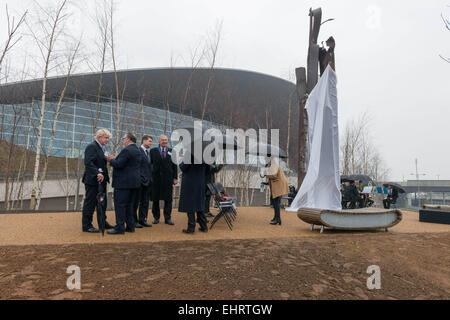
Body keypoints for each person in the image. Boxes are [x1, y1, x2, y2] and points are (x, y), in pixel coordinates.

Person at [106, 132, 142, 235]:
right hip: (134, 183)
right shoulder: (137, 150)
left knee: (120, 205)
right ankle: (130, 226)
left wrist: (111, 160)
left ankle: (120, 228)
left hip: (123, 183)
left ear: (129, 139)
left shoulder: (127, 150)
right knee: (130, 205)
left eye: (124, 138)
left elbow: (119, 164)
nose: (123, 140)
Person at [81, 129, 114, 233]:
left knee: (102, 202)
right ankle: (86, 225)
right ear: (100, 137)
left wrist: (107, 159)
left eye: (108, 138)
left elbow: (98, 161)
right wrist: (97, 173)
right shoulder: (92, 146)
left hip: (101, 181)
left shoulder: (101, 148)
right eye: (106, 138)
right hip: (92, 180)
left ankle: (102, 222)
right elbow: (88, 162)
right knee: (90, 203)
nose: (107, 140)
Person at [150, 135, 178, 225]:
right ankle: (156, 218)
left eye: (166, 140)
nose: (164, 141)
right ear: (159, 141)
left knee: (168, 199)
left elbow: (175, 166)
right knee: (155, 199)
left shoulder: (172, 151)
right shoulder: (153, 151)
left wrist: (175, 177)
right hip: (156, 179)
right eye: (162, 140)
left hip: (168, 179)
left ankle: (167, 218)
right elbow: (150, 164)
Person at [178, 154, 209, 234]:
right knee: (199, 204)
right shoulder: (205, 154)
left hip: (190, 183)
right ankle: (204, 226)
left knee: (190, 205)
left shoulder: (190, 153)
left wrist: (181, 159)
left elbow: (183, 167)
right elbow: (208, 170)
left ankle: (191, 228)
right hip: (200, 182)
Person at [133, 135, 153, 228]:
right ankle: (134, 220)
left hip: (148, 182)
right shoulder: (138, 151)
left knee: (145, 202)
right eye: (149, 141)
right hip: (139, 182)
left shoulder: (148, 153)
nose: (151, 143)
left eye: (151, 141)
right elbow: (136, 166)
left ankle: (142, 219)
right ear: (143, 141)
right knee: (136, 202)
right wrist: (140, 178)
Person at [264, 157, 289, 225]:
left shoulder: (274, 165)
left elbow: (274, 175)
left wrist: (266, 174)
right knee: (275, 203)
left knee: (276, 203)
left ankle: (277, 219)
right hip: (278, 186)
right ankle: (276, 218)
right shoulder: (273, 165)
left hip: (279, 186)